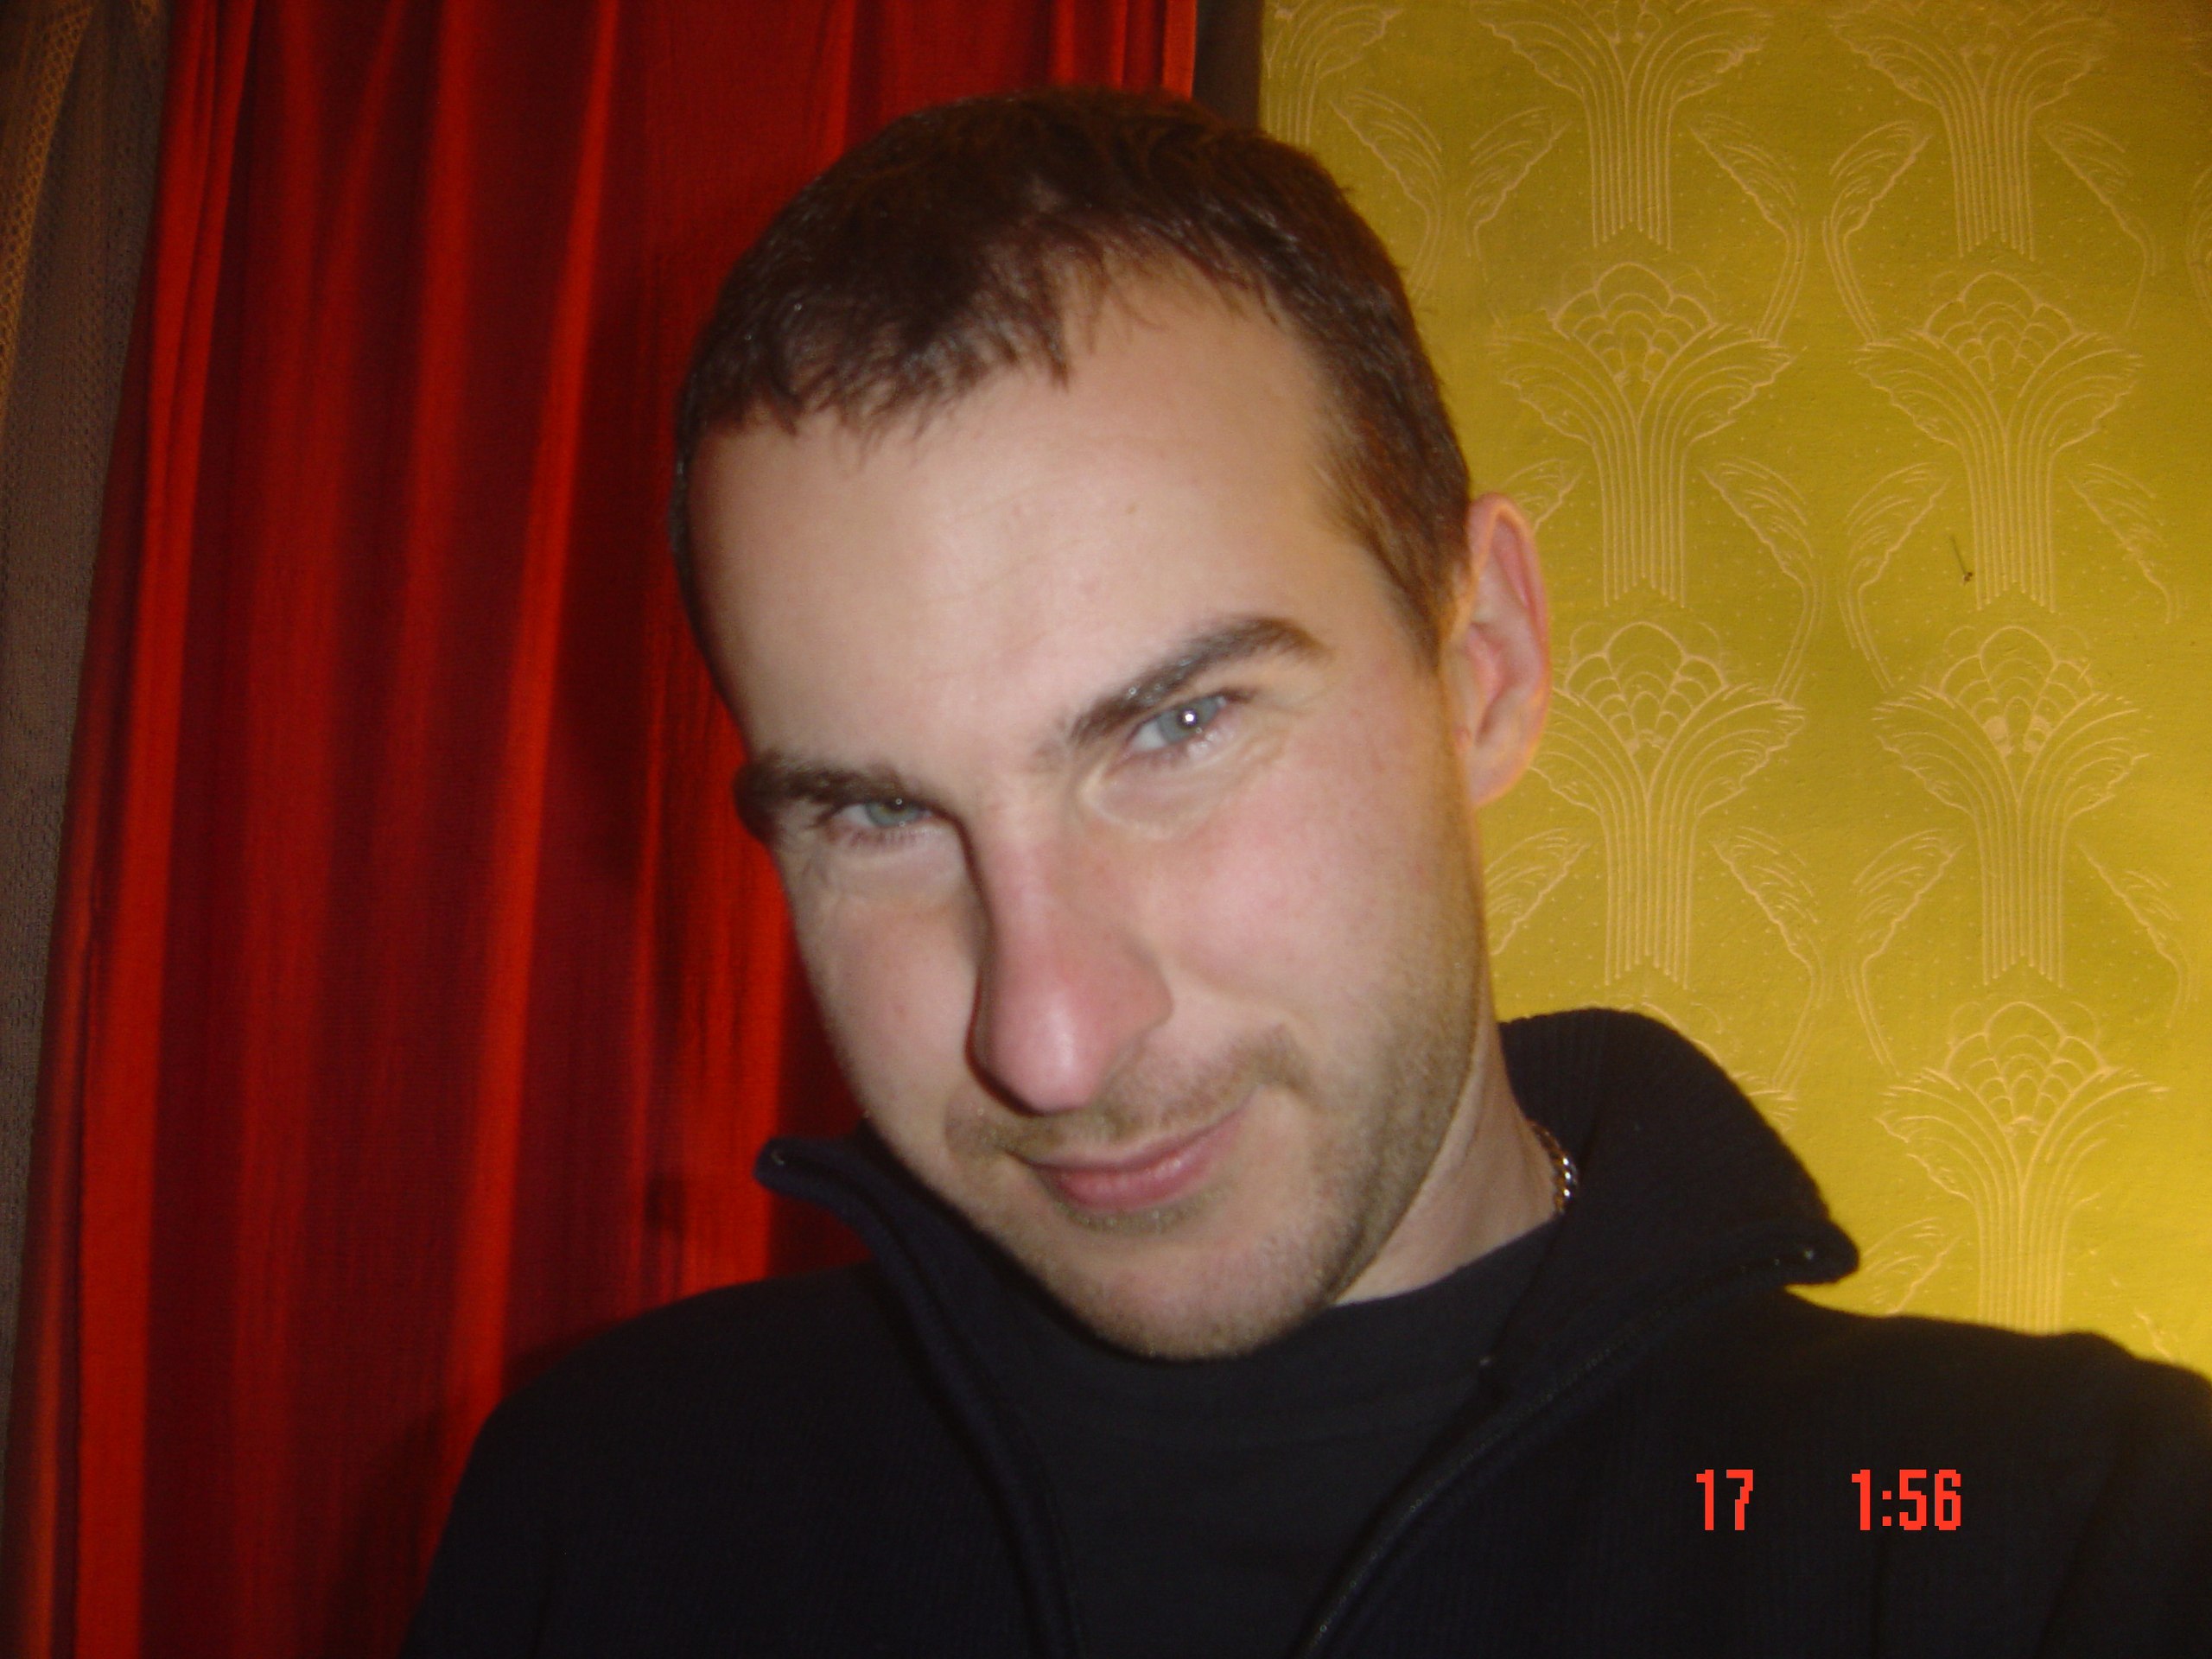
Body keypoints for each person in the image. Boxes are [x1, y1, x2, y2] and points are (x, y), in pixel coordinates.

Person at [404, 87, 2212, 1658]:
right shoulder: (609, 1512)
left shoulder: (2055, 1533)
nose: (1047, 1040)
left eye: (1176, 727)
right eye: (877, 817)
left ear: (1481, 662)